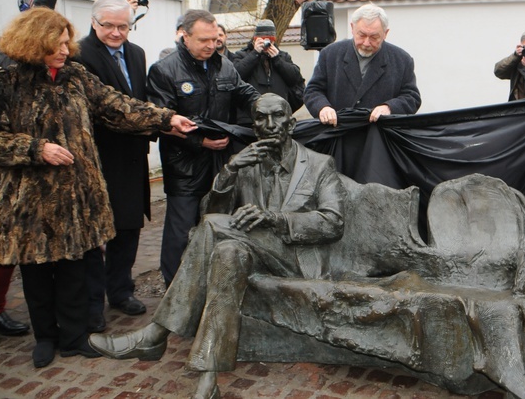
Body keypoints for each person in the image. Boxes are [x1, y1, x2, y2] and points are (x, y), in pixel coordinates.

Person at [90, 93, 345, 399]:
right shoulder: (245, 162)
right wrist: (229, 172)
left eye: (277, 116)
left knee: (213, 227)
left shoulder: (319, 164)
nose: (270, 124)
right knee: (227, 254)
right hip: (248, 252)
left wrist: (275, 218)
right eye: (261, 118)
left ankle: (157, 333)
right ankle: (208, 379)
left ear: (290, 123)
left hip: (293, 256)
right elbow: (211, 212)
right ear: (254, 126)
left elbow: (332, 223)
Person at [0, 7, 196, 369]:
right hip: (30, 200)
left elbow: (118, 106)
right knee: (38, 273)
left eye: (66, 42)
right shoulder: (6, 83)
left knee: (76, 271)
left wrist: (166, 117)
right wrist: (36, 149)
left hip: (77, 197)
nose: (64, 49)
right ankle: (45, 337)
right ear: (32, 43)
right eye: (55, 44)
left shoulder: (76, 76)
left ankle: (74, 337)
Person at [146, 9, 260, 287]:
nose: (211, 45)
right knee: (181, 229)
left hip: (221, 160)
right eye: (203, 40)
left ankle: (213, 282)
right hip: (184, 163)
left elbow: (243, 92)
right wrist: (199, 141)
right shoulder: (165, 70)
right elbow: (160, 119)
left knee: (220, 221)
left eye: (214, 39)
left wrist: (264, 104)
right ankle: (175, 287)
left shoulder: (224, 65)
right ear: (185, 37)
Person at [0, 0, 64, 337]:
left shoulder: (15, 56)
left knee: (5, 247)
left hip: (15, 159)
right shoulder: (8, 60)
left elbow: (43, 13)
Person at [76, 0, 154, 333]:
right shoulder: (80, 55)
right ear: (94, 22)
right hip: (99, 156)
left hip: (133, 156)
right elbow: (101, 109)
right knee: (97, 235)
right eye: (108, 25)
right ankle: (91, 302)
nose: (116, 32)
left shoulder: (136, 54)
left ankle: (120, 290)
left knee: (128, 228)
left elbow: (140, 100)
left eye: (124, 26)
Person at [303, 3, 421, 127]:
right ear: (352, 28)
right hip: (338, 135)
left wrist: (390, 108)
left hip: (381, 138)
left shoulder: (402, 60)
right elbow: (312, 90)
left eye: (374, 37)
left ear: (385, 33)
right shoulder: (330, 54)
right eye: (362, 35)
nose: (366, 43)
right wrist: (323, 107)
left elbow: (412, 97)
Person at [232, 19, 306, 126]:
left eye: (270, 40)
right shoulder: (242, 55)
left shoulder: (283, 56)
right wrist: (255, 54)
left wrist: (277, 59)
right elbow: (236, 75)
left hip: (278, 116)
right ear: (255, 39)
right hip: (250, 117)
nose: (267, 43)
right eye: (261, 39)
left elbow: (295, 79)